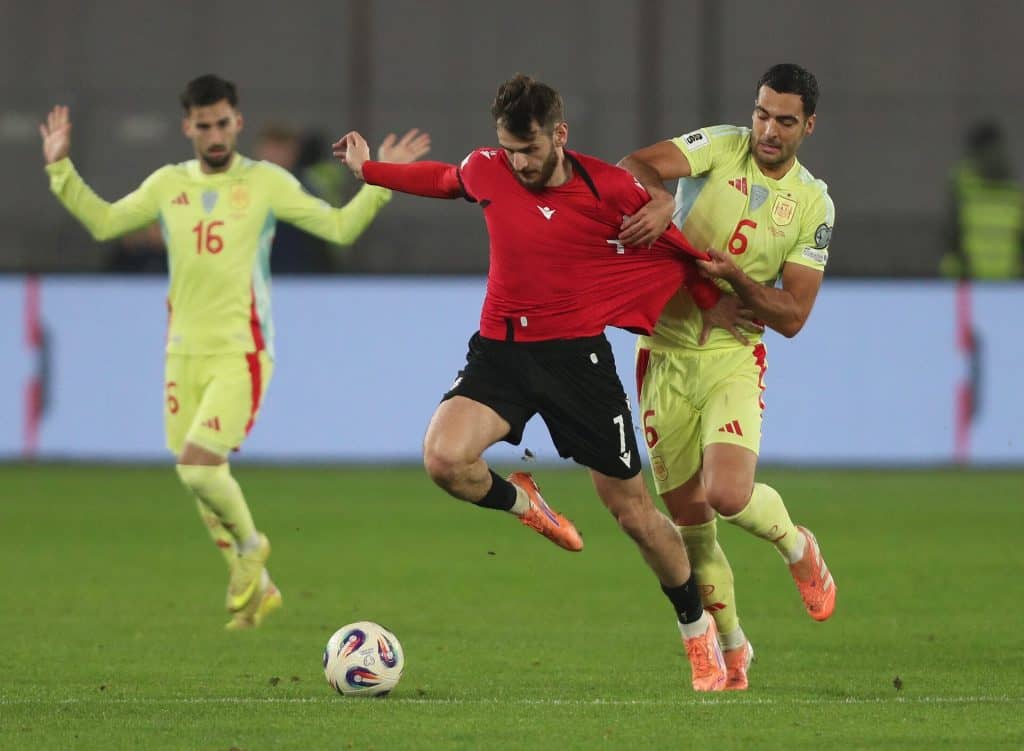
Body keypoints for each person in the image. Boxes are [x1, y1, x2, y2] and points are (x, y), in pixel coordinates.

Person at [334, 74, 736, 692]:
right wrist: (370, 171)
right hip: (501, 354)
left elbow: (677, 250)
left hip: (578, 362)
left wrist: (710, 294)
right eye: (509, 148)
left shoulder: (607, 186)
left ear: (559, 135)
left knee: (634, 515)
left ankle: (696, 630)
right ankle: (527, 505)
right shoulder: (488, 169)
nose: (519, 162)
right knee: (444, 460)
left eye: (530, 149)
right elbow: (443, 180)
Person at [39, 74, 431, 630]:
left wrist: (380, 179)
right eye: (204, 125)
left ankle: (251, 548)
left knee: (199, 468)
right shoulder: (168, 184)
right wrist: (60, 168)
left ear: (237, 122)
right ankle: (260, 589)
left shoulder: (265, 183)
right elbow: (105, 222)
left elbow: (340, 228)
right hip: (182, 354)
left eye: (223, 122)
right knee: (196, 476)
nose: (215, 134)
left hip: (241, 351)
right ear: (188, 128)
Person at [617, 63, 837, 690]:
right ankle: (734, 647)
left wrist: (737, 282)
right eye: (762, 114)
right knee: (691, 526)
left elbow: (792, 316)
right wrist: (660, 198)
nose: (768, 130)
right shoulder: (720, 146)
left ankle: (797, 546)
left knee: (728, 494)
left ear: (808, 126)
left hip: (733, 355)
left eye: (785, 120)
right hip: (662, 353)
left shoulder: (813, 203)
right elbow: (635, 164)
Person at [941, 121, 1023, 280]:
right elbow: (951, 235)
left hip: (1009, 283)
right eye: (989, 152)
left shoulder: (1013, 191)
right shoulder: (962, 188)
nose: (995, 157)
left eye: (998, 151)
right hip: (970, 283)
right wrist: (958, 273)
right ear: (976, 155)